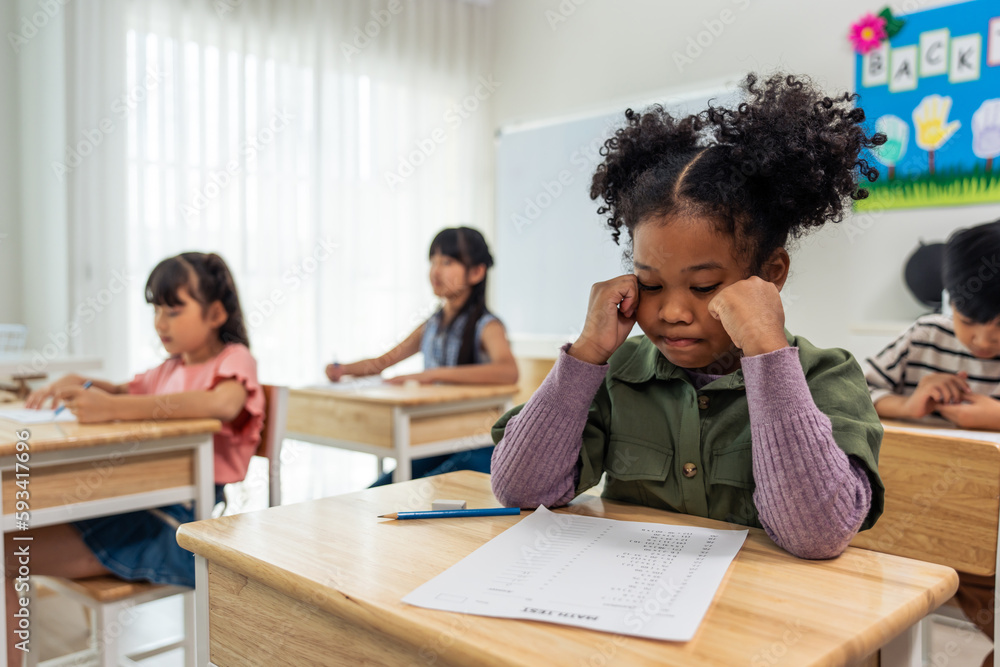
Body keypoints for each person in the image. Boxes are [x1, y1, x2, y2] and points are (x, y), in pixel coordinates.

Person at [490, 72, 887, 561]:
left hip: (765, 624)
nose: (673, 312)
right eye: (651, 285)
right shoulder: (616, 373)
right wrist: (587, 354)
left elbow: (816, 534)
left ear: (771, 274)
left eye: (703, 287)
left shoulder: (826, 376)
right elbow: (522, 491)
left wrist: (766, 349)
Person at [9, 252, 263, 666]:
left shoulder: (233, 361)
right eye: (156, 309)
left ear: (216, 313)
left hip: (182, 528)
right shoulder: (168, 369)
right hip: (135, 507)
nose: (161, 322)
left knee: (10, 552)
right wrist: (84, 384)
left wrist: (112, 408)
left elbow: (223, 404)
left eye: (174, 309)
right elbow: (123, 392)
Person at [865, 218, 1000, 667]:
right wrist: (909, 405)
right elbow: (852, 391)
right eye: (968, 321)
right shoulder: (926, 336)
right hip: (933, 515)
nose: (982, 340)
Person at [325, 226, 518, 484]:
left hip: (477, 443)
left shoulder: (488, 326)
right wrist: (344, 369)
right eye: (433, 261)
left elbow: (508, 371)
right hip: (437, 438)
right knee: (381, 489)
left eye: (447, 262)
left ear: (477, 272)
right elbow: (384, 362)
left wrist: (432, 375)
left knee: (419, 489)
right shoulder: (432, 325)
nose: (435, 271)